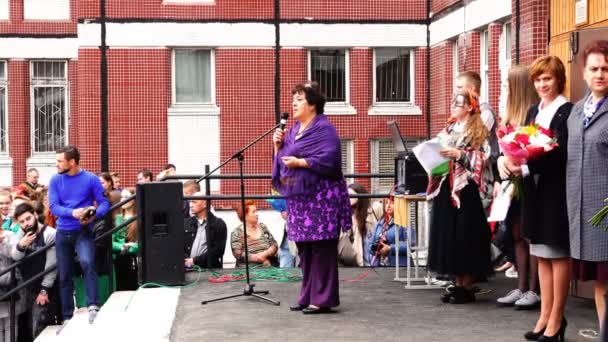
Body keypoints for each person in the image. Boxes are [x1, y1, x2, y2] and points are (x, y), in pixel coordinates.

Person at [503, 56, 572, 341]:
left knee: (557, 254)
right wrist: (509, 159)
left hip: (556, 191)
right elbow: (524, 143)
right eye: (538, 79)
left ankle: (557, 319)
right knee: (540, 254)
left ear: (559, 80)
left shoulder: (567, 111)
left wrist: (527, 166)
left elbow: (562, 153)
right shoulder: (534, 110)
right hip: (533, 189)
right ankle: (544, 316)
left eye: (548, 78)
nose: (543, 84)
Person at [272, 81, 352, 314]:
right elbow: (284, 162)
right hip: (300, 200)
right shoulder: (294, 130)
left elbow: (331, 158)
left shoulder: (324, 129)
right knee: (305, 250)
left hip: (322, 200)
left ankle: (323, 298)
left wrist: (301, 162)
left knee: (321, 250)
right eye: (293, 99)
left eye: (299, 99)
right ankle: (307, 295)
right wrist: (278, 147)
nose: (294, 103)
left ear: (313, 105)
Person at [426, 89, 493, 304]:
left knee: (466, 236)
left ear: (470, 107)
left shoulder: (478, 130)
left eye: (458, 103)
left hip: (467, 191)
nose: (453, 106)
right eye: (453, 102)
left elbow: (485, 157)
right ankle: (456, 282)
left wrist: (460, 155)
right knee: (449, 235)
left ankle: (466, 284)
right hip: (447, 188)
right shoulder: (447, 130)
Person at [567, 40, 608, 333]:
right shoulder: (575, 112)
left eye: (606, 69)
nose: (600, 74)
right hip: (584, 212)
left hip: (606, 210)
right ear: (583, 72)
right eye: (594, 68)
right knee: (602, 283)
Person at [495, 65, 541, 310]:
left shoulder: (531, 117)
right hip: (510, 183)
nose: (502, 91)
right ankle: (521, 287)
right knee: (515, 234)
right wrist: (502, 160)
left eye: (505, 86)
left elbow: (535, 150)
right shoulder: (508, 119)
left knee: (527, 234)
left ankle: (534, 289)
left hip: (526, 181)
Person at [48, 145, 110, 325]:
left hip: (83, 231)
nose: (57, 164)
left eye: (60, 161)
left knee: (87, 263)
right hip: (63, 231)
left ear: (72, 162)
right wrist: (73, 212)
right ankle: (67, 316)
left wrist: (92, 214)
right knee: (65, 273)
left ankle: (93, 305)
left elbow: (104, 203)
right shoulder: (55, 180)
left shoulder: (90, 179)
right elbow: (53, 206)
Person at [11, 202, 57, 340]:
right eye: (22, 222)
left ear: (35, 215)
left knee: (39, 325)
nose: (26, 223)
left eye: (28, 218)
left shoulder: (50, 233)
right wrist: (21, 245)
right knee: (25, 328)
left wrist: (44, 290)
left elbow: (52, 266)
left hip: (43, 288)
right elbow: (15, 256)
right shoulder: (21, 233)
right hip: (25, 287)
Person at [183, 191, 227, 269]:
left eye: (194, 202)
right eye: (190, 202)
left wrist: (194, 261)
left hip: (209, 270)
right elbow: (179, 245)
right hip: (188, 269)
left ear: (205, 204)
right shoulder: (186, 223)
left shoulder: (218, 224)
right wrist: (186, 260)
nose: (190, 205)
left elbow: (218, 250)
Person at [368, 196, 415, 267]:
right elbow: (370, 244)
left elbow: (411, 245)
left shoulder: (405, 222)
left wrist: (390, 248)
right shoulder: (380, 223)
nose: (389, 205)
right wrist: (377, 249)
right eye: (386, 203)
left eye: (392, 203)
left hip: (400, 268)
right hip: (379, 268)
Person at [230, 200, 278, 267]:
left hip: (269, 270)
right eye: (253, 212)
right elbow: (237, 254)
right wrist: (257, 258)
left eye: (256, 211)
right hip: (247, 272)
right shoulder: (237, 233)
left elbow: (274, 245)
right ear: (245, 215)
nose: (257, 214)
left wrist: (264, 254)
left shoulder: (263, 227)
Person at [113, 188, 138, 290]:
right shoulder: (117, 218)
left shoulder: (140, 218)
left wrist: (133, 247)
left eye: (126, 197)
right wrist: (121, 246)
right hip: (119, 258)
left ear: (134, 200)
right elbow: (110, 241)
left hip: (135, 259)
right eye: (121, 197)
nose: (122, 199)